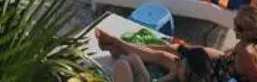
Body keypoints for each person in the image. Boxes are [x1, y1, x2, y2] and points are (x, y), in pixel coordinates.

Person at [92, 24, 232, 82]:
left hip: (207, 68)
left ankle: (118, 46)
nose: (177, 63)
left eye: (180, 64)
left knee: (161, 56)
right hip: (206, 63)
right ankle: (118, 45)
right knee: (165, 52)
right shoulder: (192, 67)